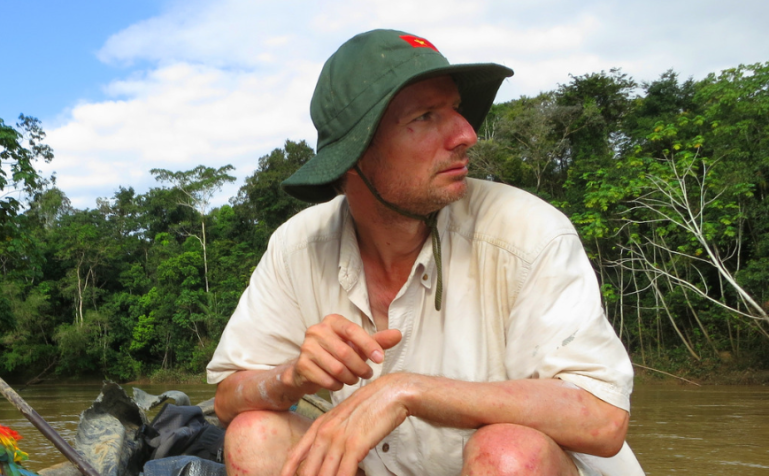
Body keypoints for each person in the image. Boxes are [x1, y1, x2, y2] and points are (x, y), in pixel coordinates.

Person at [206, 29, 643, 476]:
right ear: (355, 154)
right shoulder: (297, 246)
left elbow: (604, 419)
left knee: (508, 455)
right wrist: (292, 376)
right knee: (255, 435)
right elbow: (227, 399)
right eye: (426, 116)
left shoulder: (527, 231)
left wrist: (406, 391)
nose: (467, 134)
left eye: (454, 109)